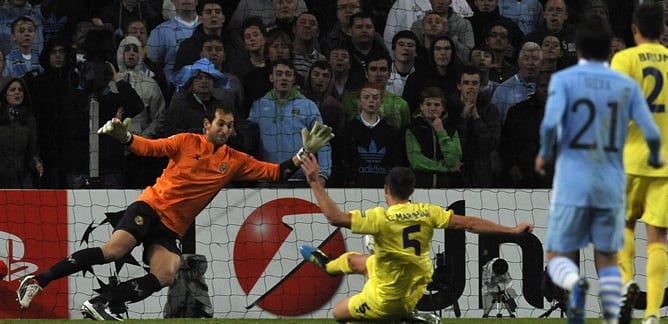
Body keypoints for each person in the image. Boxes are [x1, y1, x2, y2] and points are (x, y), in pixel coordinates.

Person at [16, 105, 334, 320]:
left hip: (173, 227)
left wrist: (303, 153)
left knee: (167, 274)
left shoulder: (235, 160)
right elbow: (148, 147)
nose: (225, 128)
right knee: (114, 250)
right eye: (220, 123)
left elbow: (275, 172)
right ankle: (38, 280)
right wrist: (124, 136)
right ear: (207, 124)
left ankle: (102, 303)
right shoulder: (185, 141)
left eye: (230, 125)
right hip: (151, 206)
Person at [534, 14, 663, 324]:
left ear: (576, 47)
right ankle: (620, 313)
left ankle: (572, 283)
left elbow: (551, 124)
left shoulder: (564, 80)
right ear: (609, 49)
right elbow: (649, 129)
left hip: (572, 177)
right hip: (611, 177)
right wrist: (657, 153)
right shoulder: (623, 83)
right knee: (609, 254)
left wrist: (543, 154)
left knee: (559, 252)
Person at [298, 155, 533, 323]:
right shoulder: (428, 212)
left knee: (338, 313)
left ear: (385, 190)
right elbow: (470, 224)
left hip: (387, 301)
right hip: (415, 289)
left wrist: (314, 181)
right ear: (412, 191)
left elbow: (335, 217)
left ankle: (401, 319)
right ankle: (329, 265)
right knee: (357, 261)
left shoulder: (380, 218)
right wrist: (512, 231)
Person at [611, 3, 668, 324]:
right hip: (665, 163)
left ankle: (624, 286)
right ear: (663, 29)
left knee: (624, 226)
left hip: (629, 158)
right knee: (658, 238)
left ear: (634, 29)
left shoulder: (624, 59)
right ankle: (652, 315)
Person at [248, 59, 332, 186]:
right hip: (267, 178)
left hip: (300, 180)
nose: (284, 78)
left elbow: (323, 141)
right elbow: (249, 142)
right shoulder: (259, 106)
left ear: (293, 79)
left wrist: (323, 174)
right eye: (279, 74)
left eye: (288, 74)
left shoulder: (308, 106)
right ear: (271, 78)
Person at [405, 86, 462, 188]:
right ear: (421, 106)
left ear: (443, 107)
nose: (432, 108)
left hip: (447, 187)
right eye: (428, 104)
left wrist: (441, 132)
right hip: (420, 186)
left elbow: (453, 160)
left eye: (436, 104)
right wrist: (446, 168)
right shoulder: (413, 129)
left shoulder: (451, 129)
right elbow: (416, 162)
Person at [0, 77, 43, 188]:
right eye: (13, 90)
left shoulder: (29, 118)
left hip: (22, 177)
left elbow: (33, 147)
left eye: (20, 90)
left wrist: (36, 161)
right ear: (5, 93)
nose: (17, 93)